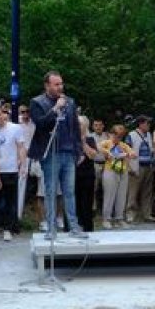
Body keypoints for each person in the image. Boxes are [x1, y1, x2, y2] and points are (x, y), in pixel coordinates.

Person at [28, 71, 87, 238]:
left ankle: (74, 227)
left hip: (68, 152)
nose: (60, 87)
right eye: (56, 84)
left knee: (69, 191)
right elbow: (41, 124)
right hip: (50, 152)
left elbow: (75, 128)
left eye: (61, 84)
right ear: (47, 85)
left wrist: (79, 150)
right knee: (51, 191)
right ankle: (51, 228)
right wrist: (55, 109)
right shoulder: (37, 102)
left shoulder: (70, 102)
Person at [0, 107, 26, 242]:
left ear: (4, 115)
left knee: (10, 201)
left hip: (11, 169)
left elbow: (21, 146)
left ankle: (8, 229)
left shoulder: (15, 128)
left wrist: (22, 164)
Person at [99, 124, 135, 229]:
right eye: (116, 135)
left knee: (121, 195)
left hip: (123, 171)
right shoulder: (107, 142)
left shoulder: (123, 145)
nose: (118, 138)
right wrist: (107, 152)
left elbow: (132, 152)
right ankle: (106, 219)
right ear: (111, 134)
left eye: (120, 136)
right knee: (109, 195)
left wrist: (131, 154)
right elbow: (98, 146)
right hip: (110, 171)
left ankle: (119, 218)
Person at [126, 115, 155, 224]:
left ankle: (146, 214)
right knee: (133, 191)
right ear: (141, 124)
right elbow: (127, 150)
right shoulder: (131, 135)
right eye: (147, 123)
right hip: (136, 166)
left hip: (148, 166)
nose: (149, 125)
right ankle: (130, 214)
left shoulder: (148, 135)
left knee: (147, 192)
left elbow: (151, 150)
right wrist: (129, 167)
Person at [75, 115, 99, 232]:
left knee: (87, 203)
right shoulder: (70, 139)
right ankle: (72, 226)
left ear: (85, 126)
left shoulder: (90, 139)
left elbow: (92, 155)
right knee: (74, 202)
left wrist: (83, 142)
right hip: (73, 175)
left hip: (87, 175)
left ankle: (88, 228)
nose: (78, 126)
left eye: (80, 124)